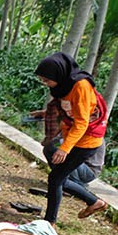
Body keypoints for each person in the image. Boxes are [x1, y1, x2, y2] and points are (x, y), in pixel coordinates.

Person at [35, 52, 108, 224]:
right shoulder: (62, 86)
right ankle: (94, 202)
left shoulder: (81, 86)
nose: (45, 84)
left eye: (47, 80)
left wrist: (65, 148)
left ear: (58, 74)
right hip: (74, 136)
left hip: (87, 141)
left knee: (56, 178)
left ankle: (49, 222)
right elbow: (69, 111)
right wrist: (45, 114)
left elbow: (82, 122)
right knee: (58, 177)